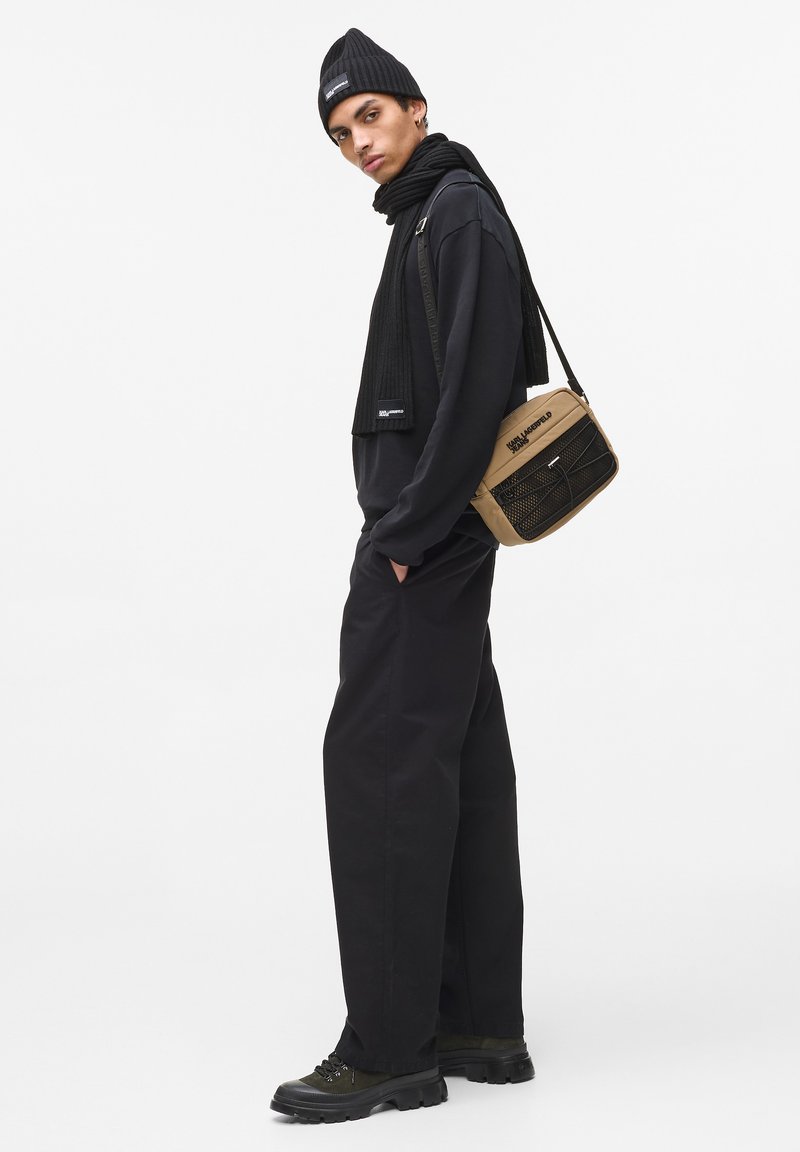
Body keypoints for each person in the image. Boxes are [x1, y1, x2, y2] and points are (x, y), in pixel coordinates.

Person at [270, 28, 550, 1124]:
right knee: (457, 764)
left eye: (370, 117)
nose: (358, 144)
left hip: (421, 545)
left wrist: (407, 530)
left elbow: (480, 385)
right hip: (436, 538)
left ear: (415, 108)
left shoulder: (455, 213)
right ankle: (478, 1024)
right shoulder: (432, 214)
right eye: (340, 134)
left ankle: (388, 1050)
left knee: (378, 766)